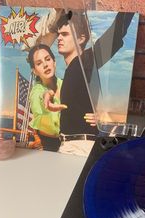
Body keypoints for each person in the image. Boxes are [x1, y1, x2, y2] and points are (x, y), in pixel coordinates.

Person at [45, 11, 134, 156]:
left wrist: (126, 10)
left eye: (65, 34)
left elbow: (115, 34)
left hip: (79, 147)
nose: (59, 38)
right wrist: (48, 93)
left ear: (81, 39)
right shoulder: (73, 70)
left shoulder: (85, 61)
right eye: (59, 34)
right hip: (71, 144)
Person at [27, 44, 66, 151]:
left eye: (48, 59)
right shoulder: (36, 91)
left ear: (54, 62)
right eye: (39, 63)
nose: (45, 65)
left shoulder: (65, 84)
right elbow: (40, 95)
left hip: (67, 142)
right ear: (34, 71)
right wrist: (46, 95)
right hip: (45, 144)